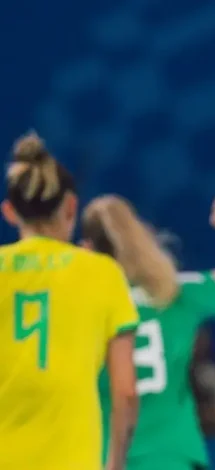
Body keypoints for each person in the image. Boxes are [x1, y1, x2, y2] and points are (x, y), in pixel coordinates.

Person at [82, 193, 215, 470]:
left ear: (87, 248)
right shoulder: (177, 293)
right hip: (173, 457)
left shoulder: (78, 306)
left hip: (103, 458)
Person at [0, 131, 139, 470]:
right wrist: (116, 464)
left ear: (9, 212)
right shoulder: (103, 273)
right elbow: (126, 392)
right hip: (74, 460)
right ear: (71, 207)